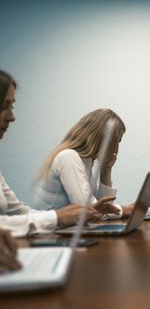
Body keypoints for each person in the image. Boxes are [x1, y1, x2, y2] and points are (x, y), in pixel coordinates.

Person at [0, 70, 111, 237]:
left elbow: (20, 213)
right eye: (4, 107)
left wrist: (59, 218)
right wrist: (57, 217)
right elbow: (92, 208)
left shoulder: (86, 161)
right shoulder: (69, 157)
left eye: (12, 106)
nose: (12, 117)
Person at [32, 108, 133, 218]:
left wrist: (105, 170)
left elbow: (102, 206)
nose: (116, 148)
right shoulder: (69, 157)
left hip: (65, 229)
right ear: (104, 139)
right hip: (49, 232)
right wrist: (124, 210)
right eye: (117, 141)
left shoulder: (87, 161)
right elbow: (89, 210)